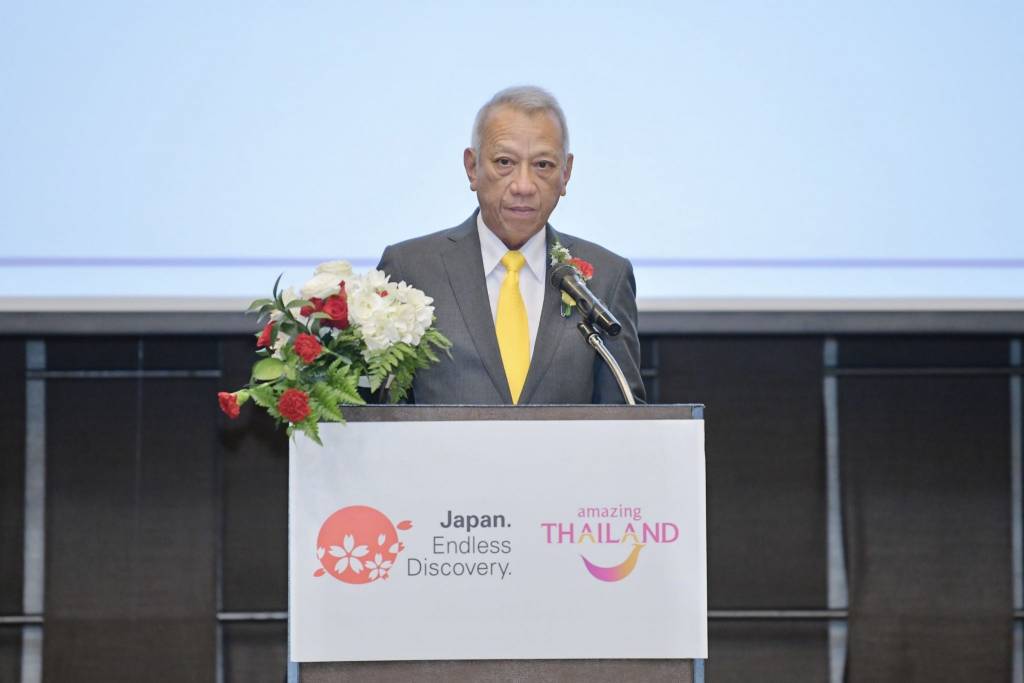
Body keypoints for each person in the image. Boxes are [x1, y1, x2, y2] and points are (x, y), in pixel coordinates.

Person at [377, 85, 644, 404]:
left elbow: (626, 415)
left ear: (566, 173)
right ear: (472, 167)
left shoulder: (607, 278)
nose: (523, 186)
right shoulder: (410, 269)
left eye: (543, 165)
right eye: (504, 162)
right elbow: (376, 410)